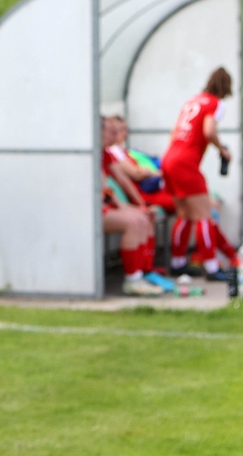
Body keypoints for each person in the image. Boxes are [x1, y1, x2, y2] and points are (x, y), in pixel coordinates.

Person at [161, 67, 239, 282]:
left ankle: (178, 264)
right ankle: (212, 268)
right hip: (185, 162)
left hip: (169, 159)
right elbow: (209, 131)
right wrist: (222, 149)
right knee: (205, 214)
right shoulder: (216, 103)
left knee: (184, 213)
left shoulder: (192, 101)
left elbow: (175, 131)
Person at [101, 119, 164, 295]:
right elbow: (104, 192)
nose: (116, 135)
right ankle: (133, 280)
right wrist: (123, 206)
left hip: (106, 204)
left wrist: (140, 206)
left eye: (118, 131)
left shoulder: (105, 153)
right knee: (134, 222)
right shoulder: (95, 153)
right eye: (112, 131)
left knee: (143, 216)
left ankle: (144, 272)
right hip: (94, 209)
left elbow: (120, 182)